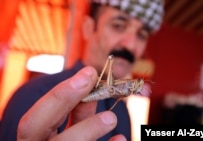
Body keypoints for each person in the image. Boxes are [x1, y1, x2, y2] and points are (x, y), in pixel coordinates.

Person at [0, 0, 165, 140]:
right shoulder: (35, 93)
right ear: (88, 28)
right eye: (118, 25)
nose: (131, 45)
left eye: (142, 35)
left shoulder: (122, 111)